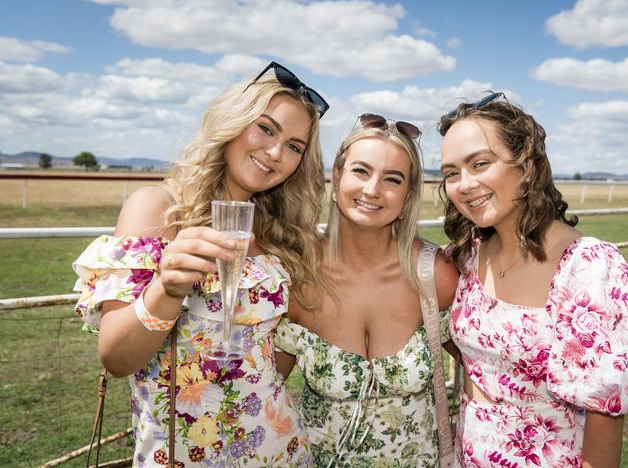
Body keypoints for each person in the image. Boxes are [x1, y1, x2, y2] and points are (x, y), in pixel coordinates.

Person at [72, 61, 330, 467]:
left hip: (278, 448)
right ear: (232, 122)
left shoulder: (280, 233)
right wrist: (167, 289)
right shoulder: (158, 210)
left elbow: (274, 356)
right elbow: (117, 358)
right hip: (182, 454)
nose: (276, 152)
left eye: (295, 146)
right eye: (265, 128)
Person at [437, 92, 628, 468]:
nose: (464, 184)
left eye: (480, 164)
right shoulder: (469, 255)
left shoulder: (590, 269)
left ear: (526, 165)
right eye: (451, 173)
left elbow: (604, 421)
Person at [274, 114, 459, 467]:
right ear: (337, 175)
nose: (372, 190)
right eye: (361, 171)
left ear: (407, 195)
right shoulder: (297, 274)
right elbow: (263, 389)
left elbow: (491, 378)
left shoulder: (435, 275)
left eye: (393, 179)